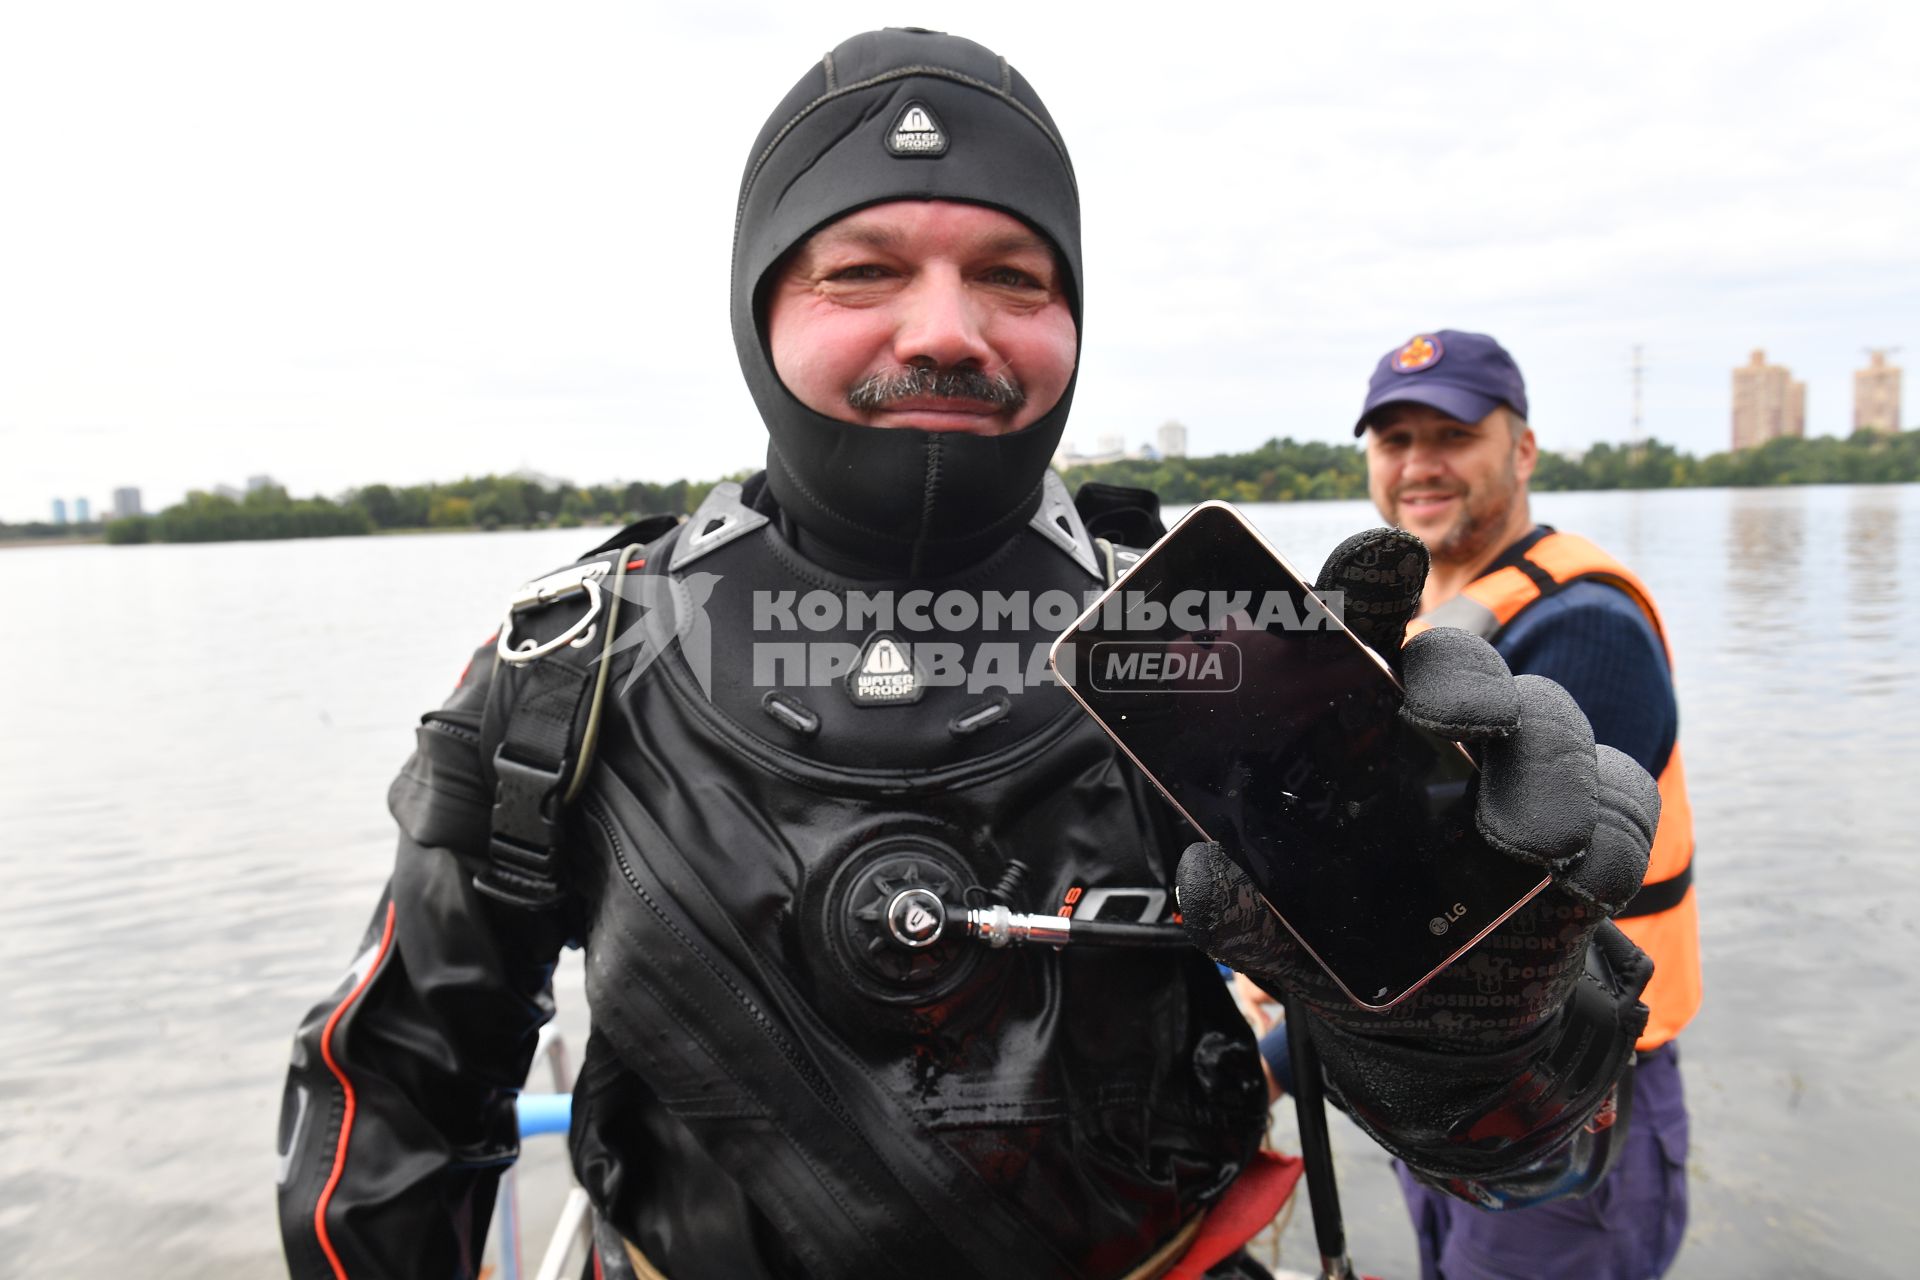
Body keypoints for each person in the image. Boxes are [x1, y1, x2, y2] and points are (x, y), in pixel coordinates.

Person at [275, 34, 1660, 1280]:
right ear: (760, 312)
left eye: (1013, 276)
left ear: (1072, 321)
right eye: (862, 271)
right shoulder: (565, 673)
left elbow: (1530, 1165)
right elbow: (398, 1090)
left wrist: (1479, 1016)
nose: (945, 331)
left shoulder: (1212, 654)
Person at [1348, 329, 1701, 1279]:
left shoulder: (1584, 623)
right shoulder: (1423, 619)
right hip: (1441, 1091)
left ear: (1523, 449)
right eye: (1393, 440)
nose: (1419, 465)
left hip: (1577, 1097)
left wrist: (1278, 1065)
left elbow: (1512, 911)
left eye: (1452, 434)